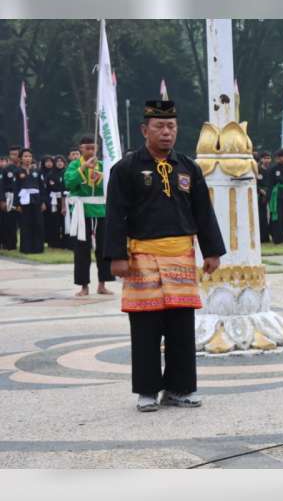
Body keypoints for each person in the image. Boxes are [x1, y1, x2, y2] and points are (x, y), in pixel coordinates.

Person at [104, 100, 225, 412]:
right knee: (145, 325)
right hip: (142, 258)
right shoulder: (126, 169)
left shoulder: (188, 167)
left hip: (181, 258)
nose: (166, 132)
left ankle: (179, 389)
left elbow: (203, 211)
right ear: (145, 130)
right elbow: (115, 215)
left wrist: (211, 250)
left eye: (171, 126)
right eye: (159, 126)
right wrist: (115, 256)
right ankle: (146, 390)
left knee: (181, 327)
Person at [64, 135, 114, 296]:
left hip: (100, 211)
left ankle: (103, 284)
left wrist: (101, 177)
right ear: (81, 149)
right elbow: (69, 183)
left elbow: (111, 185)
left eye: (93, 148)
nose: (91, 151)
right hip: (81, 212)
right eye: (88, 148)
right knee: (81, 250)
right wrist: (84, 167)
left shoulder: (102, 166)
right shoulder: (73, 165)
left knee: (104, 249)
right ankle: (83, 285)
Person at [14, 149, 46, 254]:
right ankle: (26, 248)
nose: (28, 159)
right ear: (21, 159)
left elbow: (42, 187)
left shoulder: (37, 171)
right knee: (25, 224)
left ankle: (38, 248)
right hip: (24, 201)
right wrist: (17, 203)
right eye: (25, 156)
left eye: (29, 156)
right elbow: (16, 188)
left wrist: (43, 202)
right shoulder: (17, 172)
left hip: (36, 200)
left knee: (38, 224)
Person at [1, 146, 22, 250]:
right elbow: (2, 185)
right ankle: (10, 244)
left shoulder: (23, 168)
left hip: (22, 198)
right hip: (10, 197)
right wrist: (3, 200)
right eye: (12, 154)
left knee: (23, 221)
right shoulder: (6, 170)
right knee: (10, 221)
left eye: (16, 154)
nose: (14, 157)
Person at [256, 152, 271, 243]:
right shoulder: (258, 169)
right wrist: (259, 190)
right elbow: (254, 182)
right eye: (265, 158)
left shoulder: (271, 170)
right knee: (262, 216)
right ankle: (262, 237)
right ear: (261, 159)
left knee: (271, 216)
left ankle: (268, 236)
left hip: (270, 194)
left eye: (269, 158)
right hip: (261, 195)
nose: (267, 160)